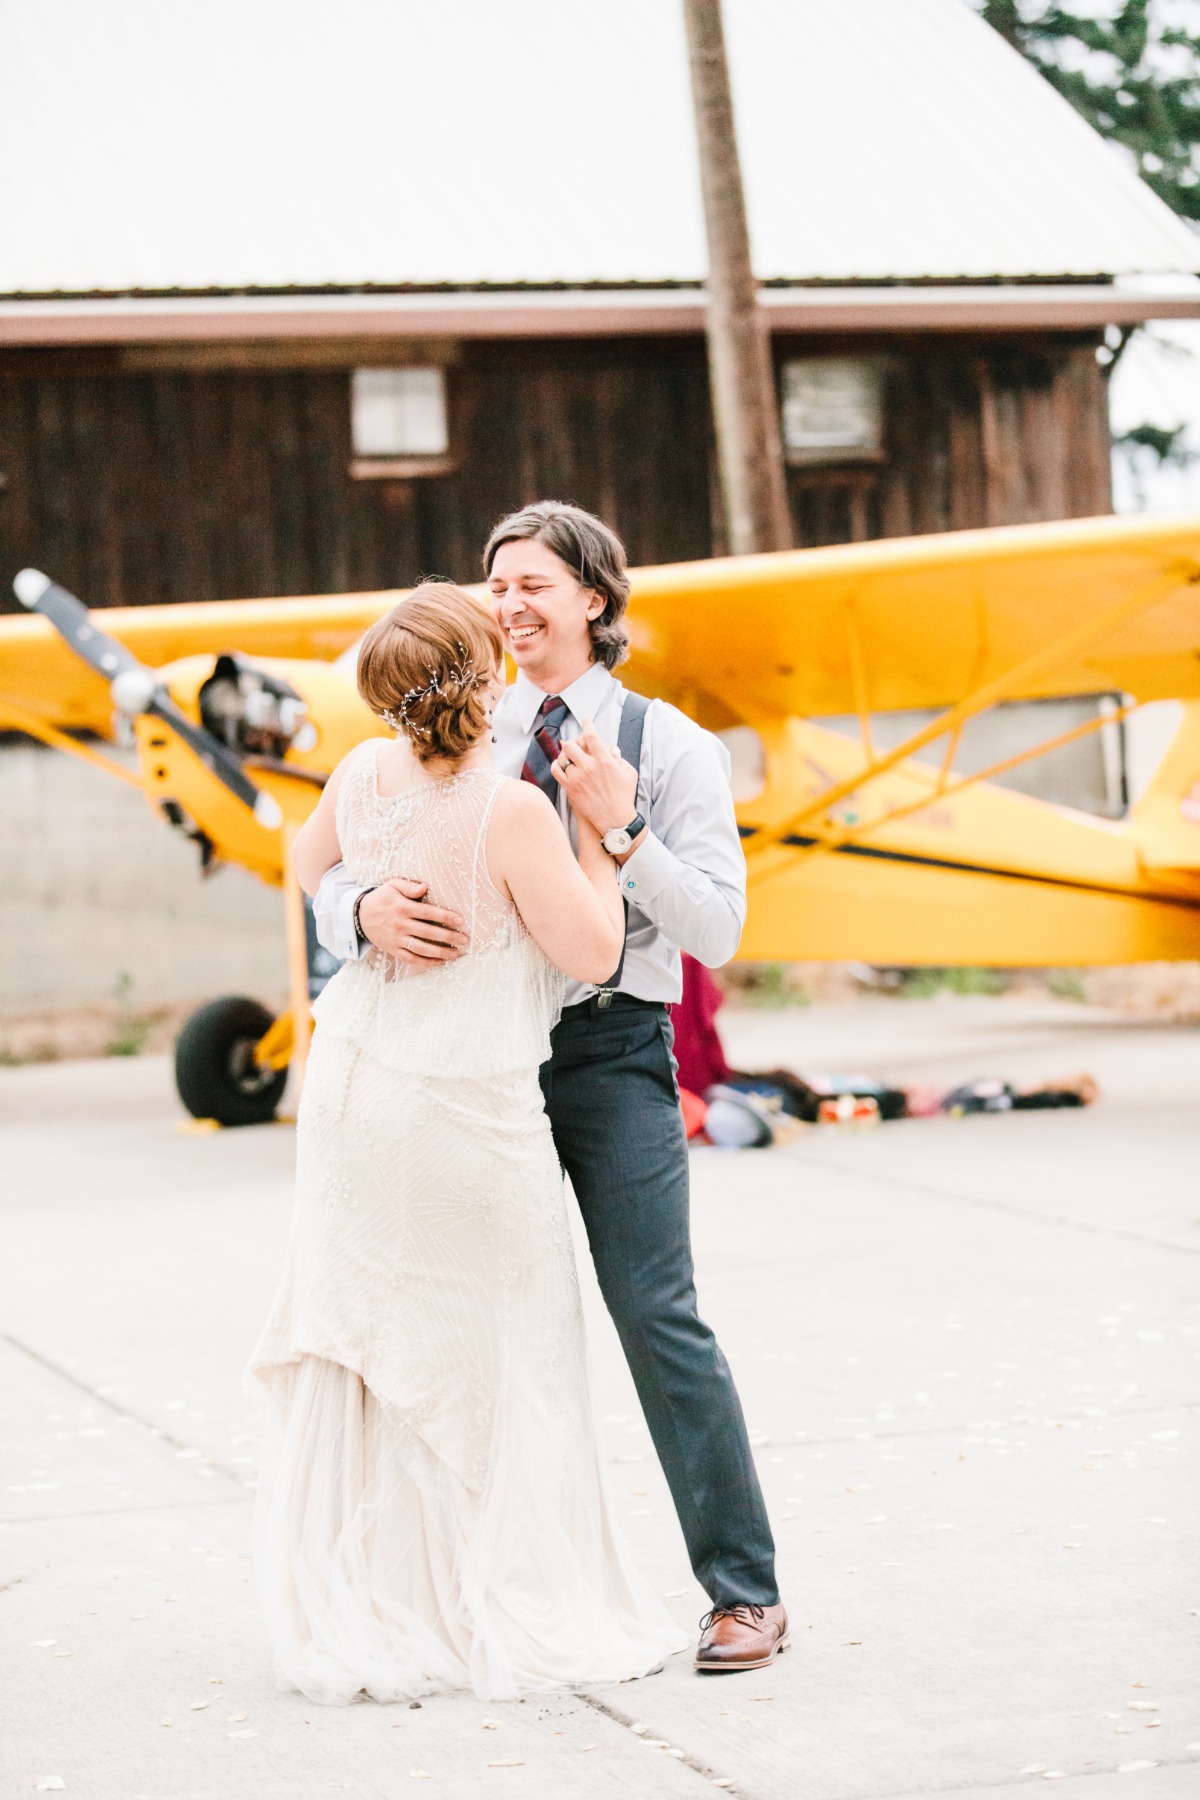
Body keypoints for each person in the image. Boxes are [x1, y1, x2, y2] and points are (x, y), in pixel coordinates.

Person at [315, 503, 788, 1674]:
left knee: (653, 1313)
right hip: (466, 1066)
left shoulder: (671, 747)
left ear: (595, 598)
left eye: (537, 583)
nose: (512, 604)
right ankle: (476, 1593)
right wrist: (357, 912)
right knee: (480, 1327)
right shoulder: (458, 716)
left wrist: (620, 823)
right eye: (496, 584)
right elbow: (339, 852)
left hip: (608, 1051)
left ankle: (744, 1592)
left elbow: (719, 929)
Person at [251, 581, 687, 1702]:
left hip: (353, 1095)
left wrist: (350, 905)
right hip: (465, 1110)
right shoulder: (512, 811)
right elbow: (593, 954)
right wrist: (605, 833)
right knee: (504, 1353)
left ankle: (386, 1598)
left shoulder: (356, 777)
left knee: (382, 1345)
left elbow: (305, 867)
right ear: (488, 677)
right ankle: (483, 1603)